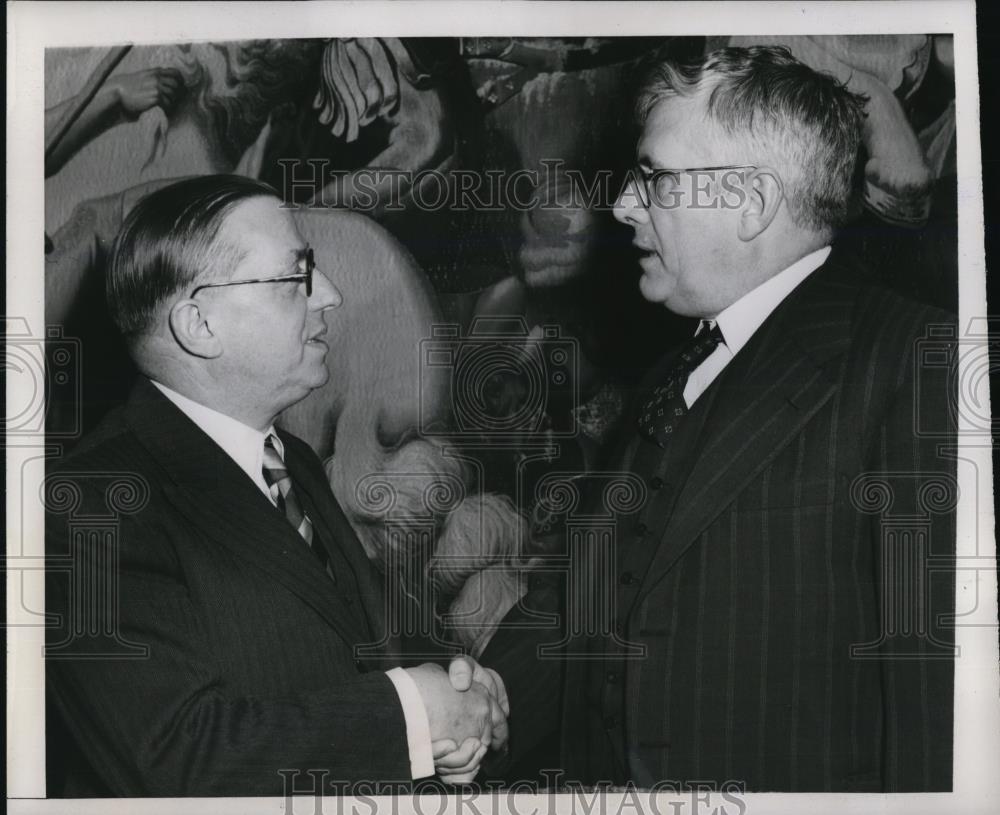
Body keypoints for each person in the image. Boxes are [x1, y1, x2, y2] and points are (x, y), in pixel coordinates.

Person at [559, 46, 956, 792]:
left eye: (654, 176)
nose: (621, 203)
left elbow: (935, 717)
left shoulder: (914, 361)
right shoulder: (671, 372)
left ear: (750, 202)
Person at [45, 174, 509, 797]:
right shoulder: (89, 504)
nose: (331, 297)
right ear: (199, 325)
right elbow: (177, 756)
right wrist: (413, 717)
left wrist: (462, 687)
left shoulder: (287, 459)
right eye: (296, 277)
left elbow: (355, 642)